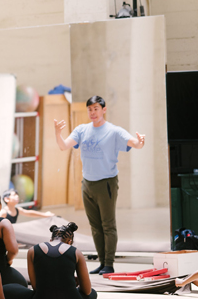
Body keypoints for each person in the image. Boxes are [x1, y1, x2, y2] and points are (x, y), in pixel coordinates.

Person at [54, 95, 146, 275]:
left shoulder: (113, 131)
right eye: (90, 109)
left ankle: (109, 264)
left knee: (108, 225)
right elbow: (64, 146)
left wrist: (140, 142)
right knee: (95, 226)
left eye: (96, 108)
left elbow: (134, 143)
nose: (92, 112)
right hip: (87, 183)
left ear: (104, 110)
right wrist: (58, 133)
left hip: (106, 183)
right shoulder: (82, 130)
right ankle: (102, 262)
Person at [3, 222, 97, 299]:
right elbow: (87, 290)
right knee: (93, 292)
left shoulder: (33, 250)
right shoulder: (76, 252)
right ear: (69, 242)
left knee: (9, 288)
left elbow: (36, 287)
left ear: (51, 239)